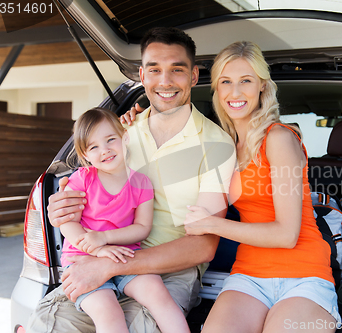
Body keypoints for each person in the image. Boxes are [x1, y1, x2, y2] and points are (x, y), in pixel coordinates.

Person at [27, 27, 236, 333]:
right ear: (141, 75)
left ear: (193, 76)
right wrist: (60, 210)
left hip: (169, 270)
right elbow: (81, 193)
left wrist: (110, 263)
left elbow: (203, 246)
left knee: (137, 326)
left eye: (176, 70)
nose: (164, 81)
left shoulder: (217, 145)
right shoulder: (119, 134)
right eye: (154, 70)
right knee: (46, 324)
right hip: (97, 255)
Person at [183, 41, 341, 332]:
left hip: (304, 275)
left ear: (262, 87)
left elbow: (286, 234)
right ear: (216, 90)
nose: (235, 92)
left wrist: (212, 225)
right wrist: (132, 126)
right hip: (248, 275)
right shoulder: (223, 146)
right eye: (226, 82)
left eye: (246, 81)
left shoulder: (278, 138)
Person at [60, 107, 189, 333]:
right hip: (83, 260)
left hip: (126, 257)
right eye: (94, 147)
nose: (105, 150)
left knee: (158, 294)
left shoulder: (141, 183)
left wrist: (106, 237)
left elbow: (142, 228)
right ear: (85, 155)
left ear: (125, 137)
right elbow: (67, 223)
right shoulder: (82, 179)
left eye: (111, 140)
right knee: (108, 313)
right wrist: (98, 250)